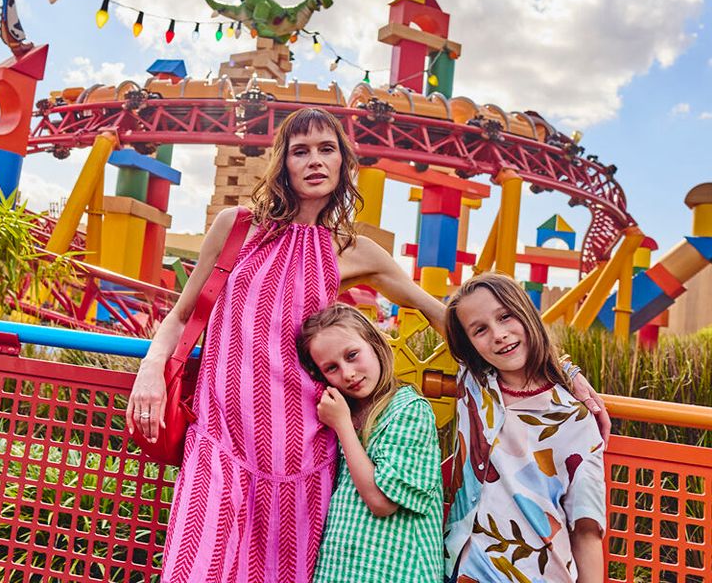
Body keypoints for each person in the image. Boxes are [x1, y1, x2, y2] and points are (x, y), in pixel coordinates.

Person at [126, 107, 447, 583]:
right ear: (284, 163)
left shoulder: (353, 251)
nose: (315, 161)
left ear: (342, 164)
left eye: (327, 149)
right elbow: (179, 316)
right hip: (222, 439)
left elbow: (446, 318)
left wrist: (558, 373)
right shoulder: (237, 228)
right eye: (301, 151)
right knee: (197, 569)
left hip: (304, 453)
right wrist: (151, 371)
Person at [442, 273, 605, 583]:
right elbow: (437, 312)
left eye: (506, 316)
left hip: (539, 575)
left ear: (526, 312)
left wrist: (565, 369)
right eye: (480, 330)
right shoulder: (475, 385)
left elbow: (586, 527)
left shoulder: (575, 418)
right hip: (465, 569)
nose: (499, 334)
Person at [297, 303, 443, 583]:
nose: (348, 373)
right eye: (331, 368)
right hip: (343, 569)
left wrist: (341, 426)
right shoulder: (346, 412)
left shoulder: (408, 410)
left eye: (352, 355)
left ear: (375, 344)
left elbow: (381, 502)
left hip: (397, 571)